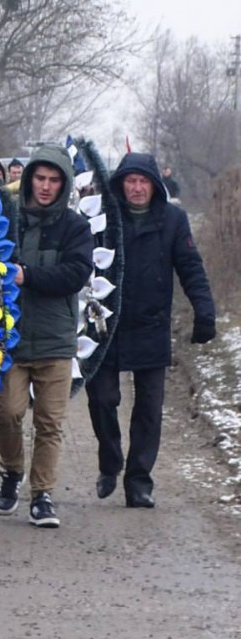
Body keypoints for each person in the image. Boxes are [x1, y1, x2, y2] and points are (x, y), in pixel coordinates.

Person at [85, 153, 215, 508]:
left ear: (155, 185)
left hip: (151, 324)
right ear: (121, 184)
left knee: (149, 408)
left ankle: (139, 481)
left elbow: (191, 267)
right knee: (102, 398)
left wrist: (204, 311)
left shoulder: (173, 219)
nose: (137, 188)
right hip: (106, 324)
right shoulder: (103, 219)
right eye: (131, 181)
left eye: (144, 181)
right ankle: (110, 460)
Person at [0, 145, 93, 527]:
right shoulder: (8, 220)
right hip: (10, 339)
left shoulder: (74, 227)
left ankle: (42, 494)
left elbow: (76, 274)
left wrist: (28, 276)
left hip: (55, 341)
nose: (46, 186)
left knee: (49, 422)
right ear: (29, 179)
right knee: (8, 411)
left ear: (64, 184)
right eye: (40, 178)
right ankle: (12, 470)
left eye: (54, 180)